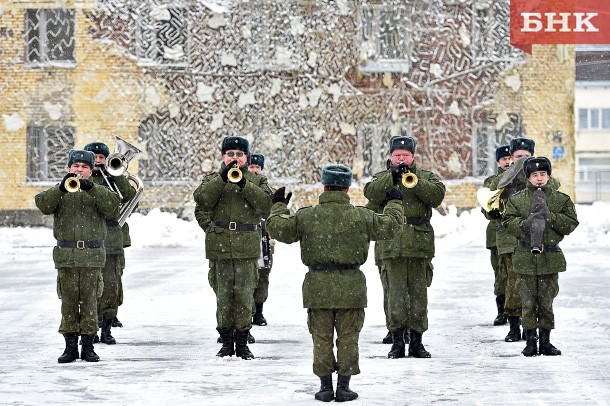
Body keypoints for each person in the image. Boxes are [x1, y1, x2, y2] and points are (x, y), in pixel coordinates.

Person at [267, 164, 404, 402]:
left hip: (317, 286)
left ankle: (324, 386)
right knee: (348, 336)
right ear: (347, 188)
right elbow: (391, 226)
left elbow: (279, 229)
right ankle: (344, 386)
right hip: (351, 286)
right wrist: (394, 203)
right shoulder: (361, 216)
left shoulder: (307, 216)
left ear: (324, 186)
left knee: (321, 337)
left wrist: (278, 205)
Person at [364, 134, 445, 359]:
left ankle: (417, 342)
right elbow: (370, 194)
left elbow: (437, 196)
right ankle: (397, 340)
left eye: (405, 155)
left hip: (419, 245)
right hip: (392, 245)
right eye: (397, 155)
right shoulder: (381, 177)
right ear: (390, 156)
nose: (401, 159)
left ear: (413, 156)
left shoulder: (425, 176)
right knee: (395, 296)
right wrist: (391, 178)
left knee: (419, 296)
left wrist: (414, 181)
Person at [35, 150, 120, 363]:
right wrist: (61, 188)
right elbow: (43, 204)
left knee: (90, 302)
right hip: (66, 256)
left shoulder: (99, 191)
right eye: (76, 166)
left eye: (84, 167)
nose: (79, 170)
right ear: (69, 168)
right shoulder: (61, 191)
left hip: (91, 256)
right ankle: (70, 347)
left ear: (91, 171)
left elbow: (112, 208)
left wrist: (92, 189)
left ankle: (88, 347)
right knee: (68, 302)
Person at [193, 136, 273, 360]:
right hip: (220, 246)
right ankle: (226, 341)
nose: (234, 158)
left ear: (246, 157)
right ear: (222, 157)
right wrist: (222, 178)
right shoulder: (213, 179)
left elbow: (267, 205)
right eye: (230, 154)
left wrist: (245, 185)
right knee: (224, 295)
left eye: (239, 154)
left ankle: (243, 340)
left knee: (245, 295)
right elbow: (202, 200)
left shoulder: (258, 181)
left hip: (246, 246)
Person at [502, 157, 578, 356]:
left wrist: (551, 217)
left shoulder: (561, 199)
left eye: (542, 174)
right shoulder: (517, 199)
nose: (539, 178)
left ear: (548, 175)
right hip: (525, 257)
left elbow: (571, 223)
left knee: (546, 302)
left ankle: (545, 341)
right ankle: (530, 341)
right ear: (528, 177)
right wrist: (524, 224)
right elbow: (508, 222)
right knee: (527, 302)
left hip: (549, 258)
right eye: (534, 175)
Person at [84, 141, 136, 344]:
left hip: (112, 239)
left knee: (111, 286)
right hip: (89, 239)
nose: (98, 161)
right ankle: (91, 327)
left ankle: (106, 327)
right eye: (94, 157)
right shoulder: (82, 178)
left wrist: (118, 175)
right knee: (90, 287)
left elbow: (130, 197)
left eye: (101, 158)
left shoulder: (113, 177)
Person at [489, 137, 535, 342]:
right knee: (511, 284)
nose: (521, 161)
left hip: (533, 240)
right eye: (517, 157)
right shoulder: (502, 180)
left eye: (526, 157)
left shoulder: (539, 175)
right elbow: (488, 203)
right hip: (508, 239)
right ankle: (514, 326)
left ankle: (530, 327)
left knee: (532, 285)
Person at [482, 145, 512, 326]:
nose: (508, 162)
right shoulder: (491, 181)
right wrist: (490, 212)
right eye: (504, 159)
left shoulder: (522, 179)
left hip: (517, 235)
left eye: (510, 158)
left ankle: (516, 311)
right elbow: (484, 205)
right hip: (496, 235)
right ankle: (502, 310)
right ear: (498, 162)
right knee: (500, 275)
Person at [248, 153, 274, 328]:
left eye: (257, 167)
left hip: (264, 237)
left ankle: (259, 311)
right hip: (247, 236)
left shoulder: (266, 189)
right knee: (247, 276)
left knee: (263, 276)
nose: (254, 170)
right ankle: (246, 313)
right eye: (252, 167)